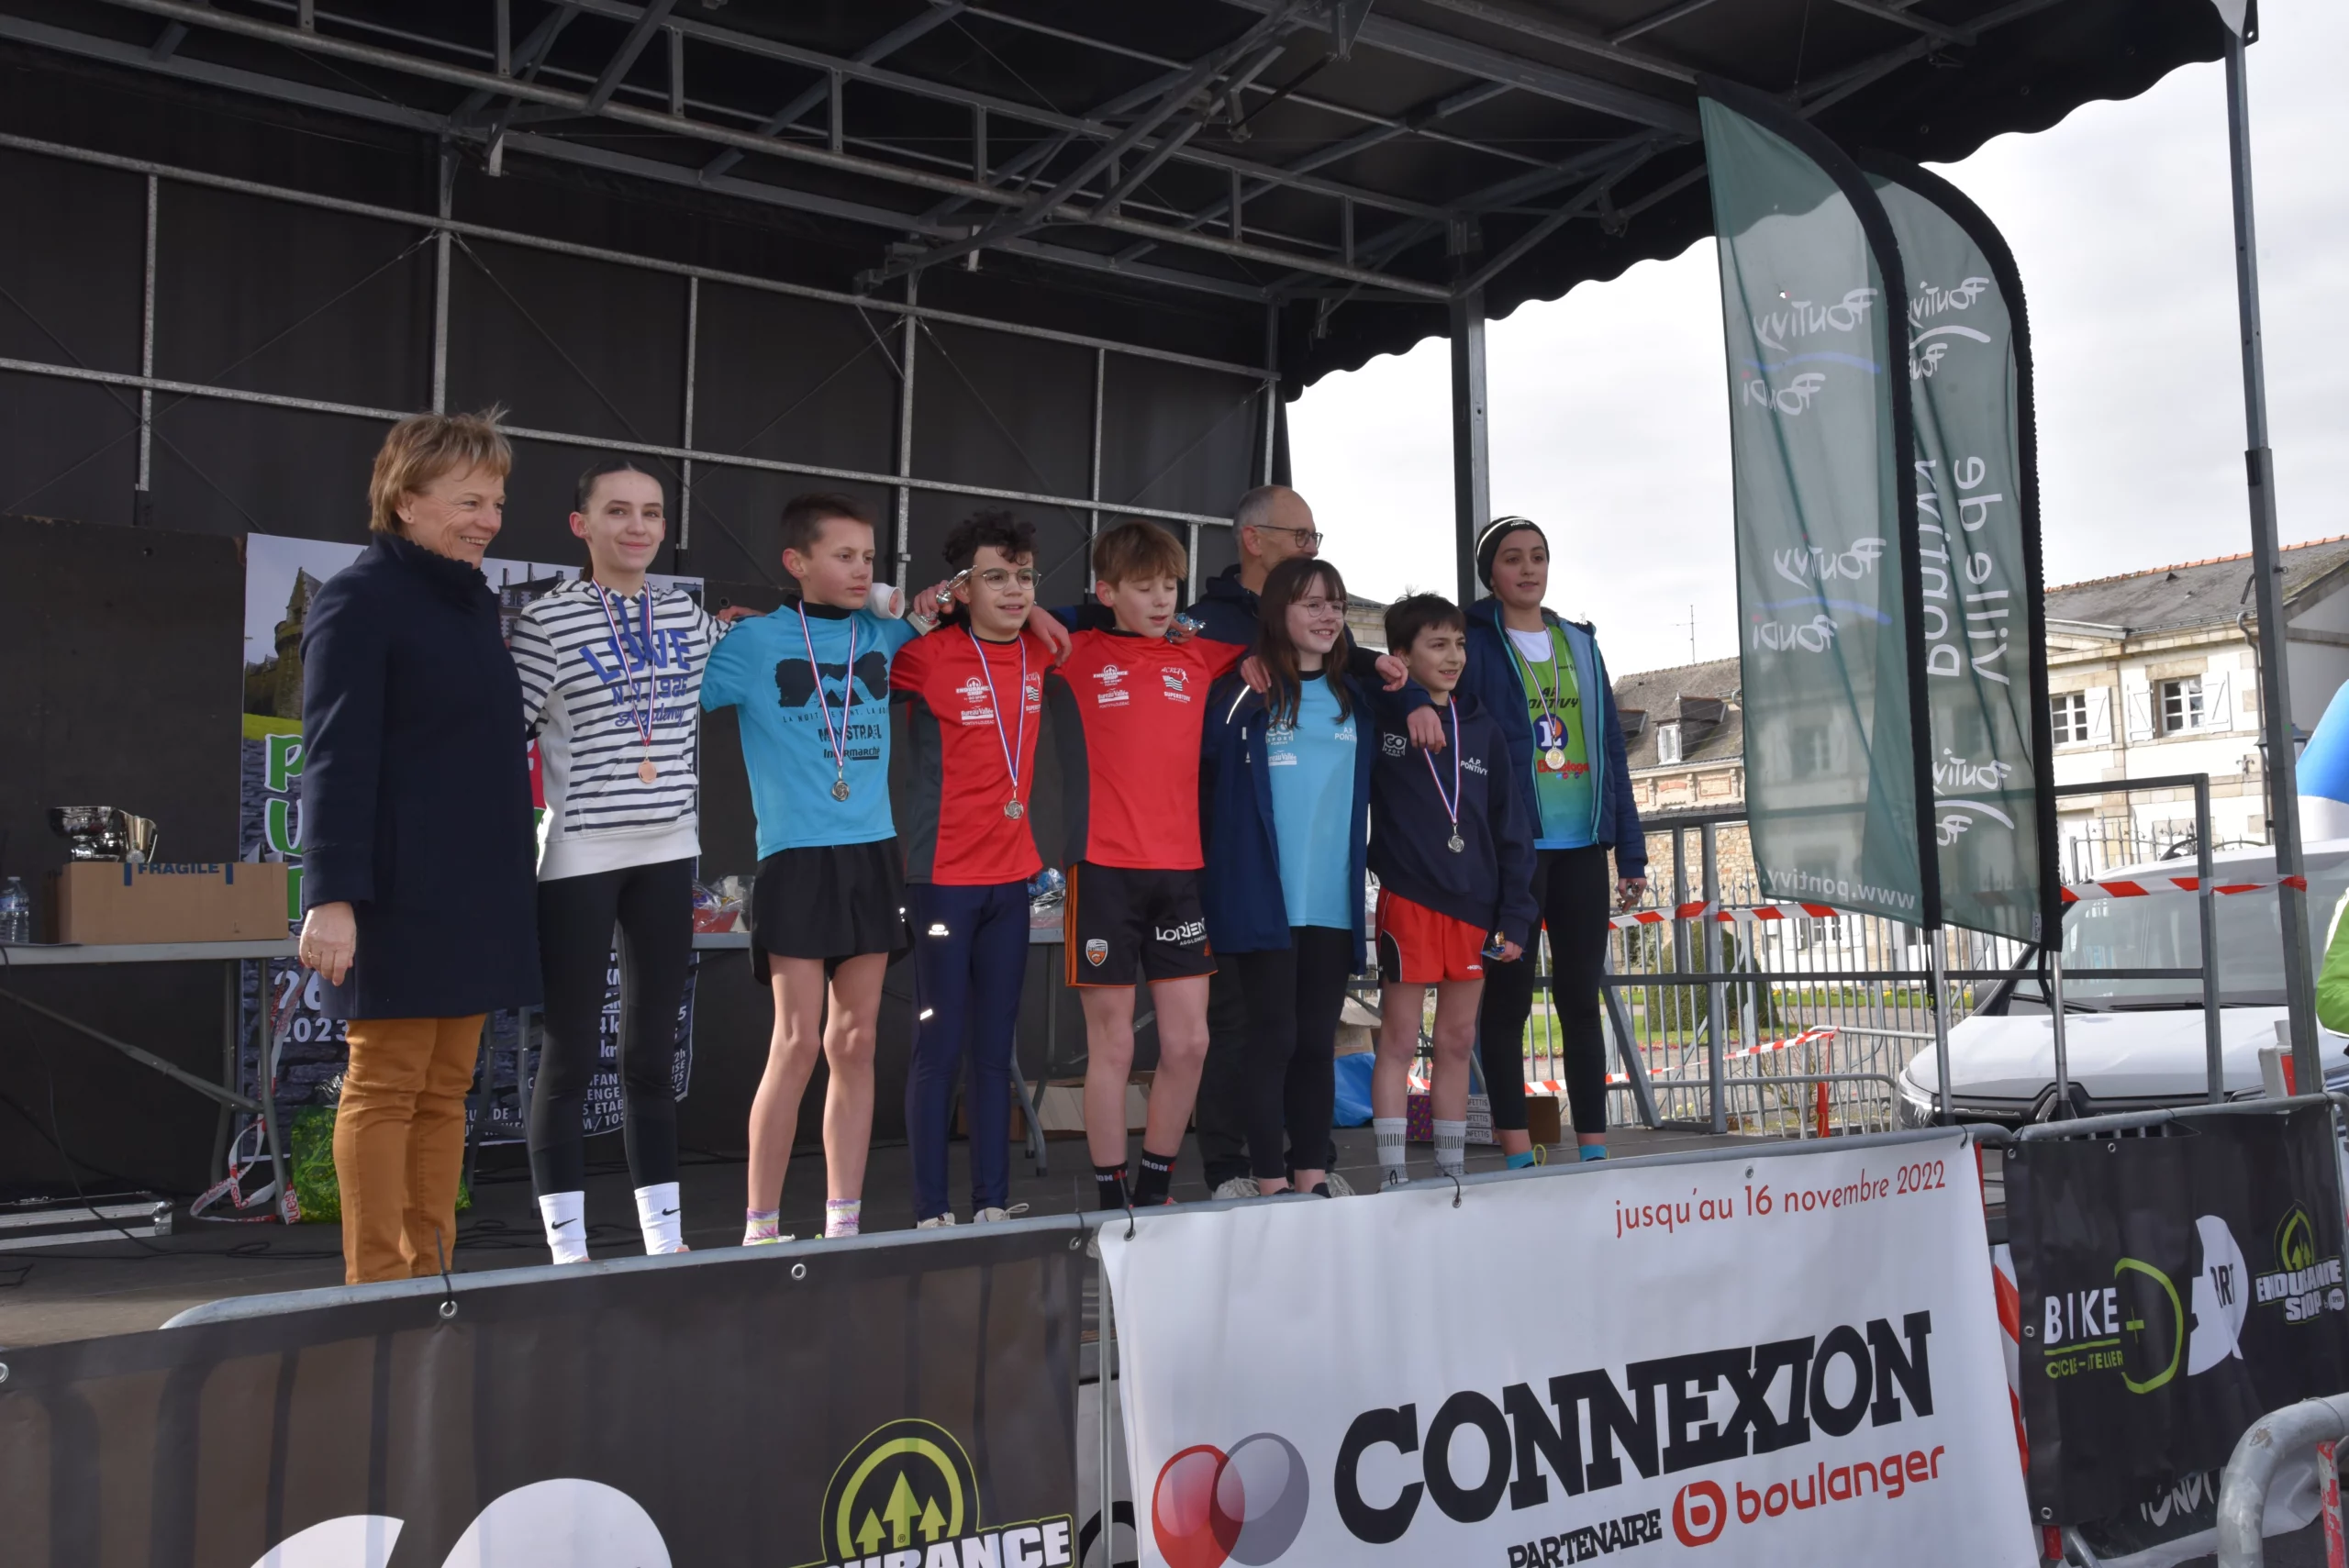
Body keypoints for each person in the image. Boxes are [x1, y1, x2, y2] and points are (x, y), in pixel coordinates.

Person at [296, 407, 541, 1285]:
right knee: (386, 1083)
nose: (489, 518)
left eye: (498, 500)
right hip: (397, 887)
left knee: (446, 1088)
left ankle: (431, 1271)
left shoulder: (470, 602)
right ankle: (376, 1284)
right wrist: (331, 896)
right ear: (405, 501)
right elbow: (335, 752)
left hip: (477, 886)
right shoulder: (358, 598)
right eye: (469, 500)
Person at [509, 459, 734, 1262]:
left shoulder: (688, 618)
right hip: (578, 856)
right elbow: (503, 728)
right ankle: (567, 1252)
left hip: (670, 852)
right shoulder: (546, 622)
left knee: (650, 1052)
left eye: (650, 512)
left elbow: (777, 655)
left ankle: (663, 1246)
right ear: (582, 525)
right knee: (569, 1053)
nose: (636, 526)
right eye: (617, 511)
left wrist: (894, 606)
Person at [700, 493, 921, 1243]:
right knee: (796, 1041)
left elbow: (973, 603)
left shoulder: (885, 632)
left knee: (856, 1039)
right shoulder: (755, 642)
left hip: (872, 853)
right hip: (796, 856)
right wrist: (713, 628)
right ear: (797, 563)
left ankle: (843, 1222)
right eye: (843, 556)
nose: (861, 570)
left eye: (869, 557)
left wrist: (902, 600)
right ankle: (761, 1225)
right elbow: (677, 691)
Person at [1043, 520, 1249, 1209]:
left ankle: (1157, 1185)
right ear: (1107, 591)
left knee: (1189, 1041)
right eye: (1144, 587)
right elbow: (1006, 614)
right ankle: (1111, 1195)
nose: (1163, 600)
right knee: (1114, 1046)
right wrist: (1083, 614)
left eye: (1170, 586)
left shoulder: (1200, 655)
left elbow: (1288, 641)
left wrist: (1384, 669)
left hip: (1179, 873)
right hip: (1102, 869)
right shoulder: (1074, 650)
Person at [1453, 517, 1648, 1164]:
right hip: (1514, 855)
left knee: (1579, 997)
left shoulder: (1580, 643)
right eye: (1513, 558)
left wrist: (1631, 849)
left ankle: (1592, 1145)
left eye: (1539, 556)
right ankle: (1515, 1148)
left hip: (1583, 852)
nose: (1529, 569)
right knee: (1506, 1002)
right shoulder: (1475, 643)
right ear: (1492, 573)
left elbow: (1612, 750)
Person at [889, 509, 1058, 1229]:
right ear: (960, 586)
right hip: (942, 879)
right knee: (942, 1045)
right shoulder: (924, 657)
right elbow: (857, 649)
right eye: (996, 577)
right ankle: (932, 1209)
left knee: (996, 1047)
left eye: (1024, 576)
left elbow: (1115, 623)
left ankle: (991, 1201)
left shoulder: (1044, 650)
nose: (1015, 591)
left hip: (1011, 880)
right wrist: (914, 611)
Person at [1199, 556, 1375, 1197]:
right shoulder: (1247, 690)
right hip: (1264, 901)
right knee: (1269, 1037)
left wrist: (1396, 678)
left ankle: (1311, 1171)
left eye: (1336, 604)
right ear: (1279, 613)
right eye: (1312, 603)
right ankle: (1267, 1176)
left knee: (1314, 1041)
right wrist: (1251, 679)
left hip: (1331, 902)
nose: (1328, 615)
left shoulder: (1355, 698)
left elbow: (1411, 685)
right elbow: (1212, 745)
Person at [1366, 594, 1537, 1190]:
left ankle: (1451, 1170)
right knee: (1398, 1034)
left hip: (1474, 908)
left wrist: (1516, 917)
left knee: (1458, 1039)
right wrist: (1386, 681)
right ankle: (1392, 1172)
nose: (1454, 656)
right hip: (1409, 899)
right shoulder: (1382, 714)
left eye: (1460, 643)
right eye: (1437, 644)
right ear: (1401, 656)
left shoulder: (1482, 726)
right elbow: (1335, 660)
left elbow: (1513, 829)